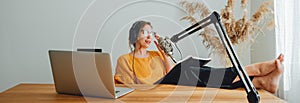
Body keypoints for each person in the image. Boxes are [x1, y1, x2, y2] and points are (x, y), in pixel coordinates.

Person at [114, 20, 284, 94]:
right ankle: (248, 70)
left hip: (167, 87)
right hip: (151, 91)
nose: (149, 36)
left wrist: (164, 52)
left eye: (151, 32)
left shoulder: (156, 54)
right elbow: (128, 86)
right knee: (187, 70)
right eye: (145, 32)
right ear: (135, 35)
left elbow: (171, 73)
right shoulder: (125, 59)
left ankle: (260, 82)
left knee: (196, 71)